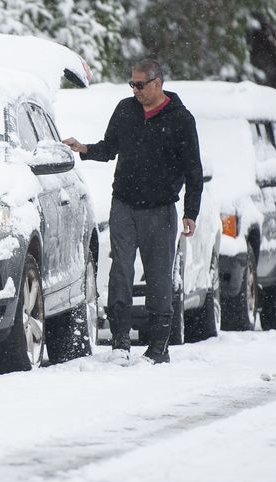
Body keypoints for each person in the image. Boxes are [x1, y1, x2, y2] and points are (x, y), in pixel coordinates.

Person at [62, 59, 202, 365]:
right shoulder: (125, 110)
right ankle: (120, 343)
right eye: (132, 84)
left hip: (161, 210)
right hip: (124, 204)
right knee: (121, 272)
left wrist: (191, 212)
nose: (135, 90)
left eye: (140, 85)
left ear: (157, 83)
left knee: (159, 278)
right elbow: (110, 148)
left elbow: (194, 170)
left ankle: (157, 348)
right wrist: (83, 148)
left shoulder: (180, 119)